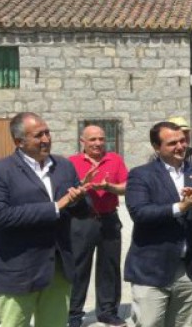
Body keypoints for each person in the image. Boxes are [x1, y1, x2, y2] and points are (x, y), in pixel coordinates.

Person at [0, 112, 90, 327]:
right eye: (38, 135)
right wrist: (55, 207)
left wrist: (78, 200)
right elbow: (0, 216)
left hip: (58, 270)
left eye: (48, 133)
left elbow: (80, 211)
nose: (46, 139)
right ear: (18, 142)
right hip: (19, 271)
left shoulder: (64, 166)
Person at [124, 121, 192, 327]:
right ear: (156, 147)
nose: (180, 146)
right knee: (150, 323)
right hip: (152, 269)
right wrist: (180, 207)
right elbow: (140, 213)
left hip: (189, 268)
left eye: (182, 141)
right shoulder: (141, 174)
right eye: (172, 143)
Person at [67, 125, 129, 327]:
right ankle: (73, 314)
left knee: (109, 267)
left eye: (101, 139)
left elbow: (126, 186)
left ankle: (108, 311)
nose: (98, 143)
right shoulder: (71, 163)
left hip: (109, 219)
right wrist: (82, 186)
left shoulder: (115, 159)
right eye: (92, 139)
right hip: (82, 221)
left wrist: (109, 187)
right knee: (78, 268)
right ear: (82, 142)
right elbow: (66, 192)